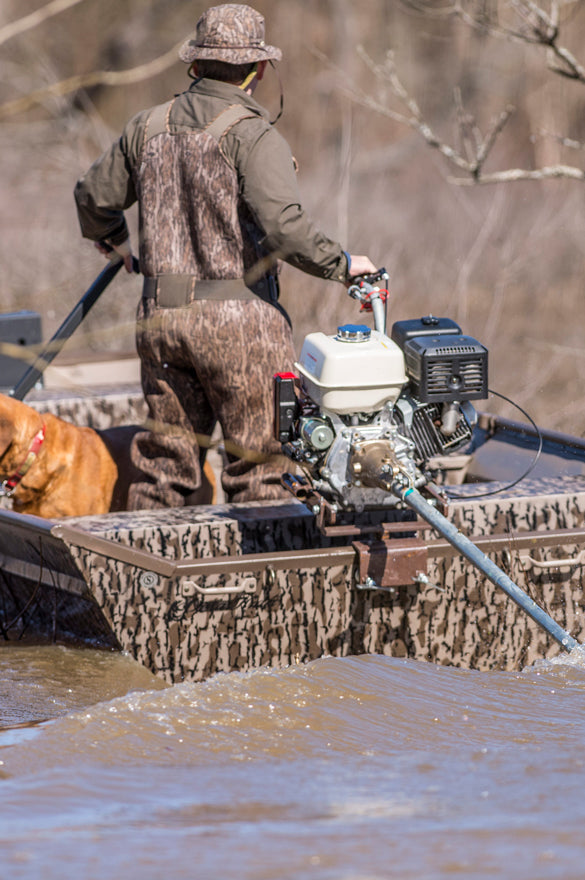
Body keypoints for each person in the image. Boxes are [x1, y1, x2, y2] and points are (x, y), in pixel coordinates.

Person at [74, 3, 377, 509]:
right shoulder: (253, 135)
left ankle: (147, 583)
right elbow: (285, 226)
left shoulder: (146, 127)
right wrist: (344, 265)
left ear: (195, 65)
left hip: (160, 322)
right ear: (258, 70)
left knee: (163, 472)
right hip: (241, 326)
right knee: (262, 472)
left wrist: (116, 242)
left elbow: (92, 197)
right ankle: (264, 589)